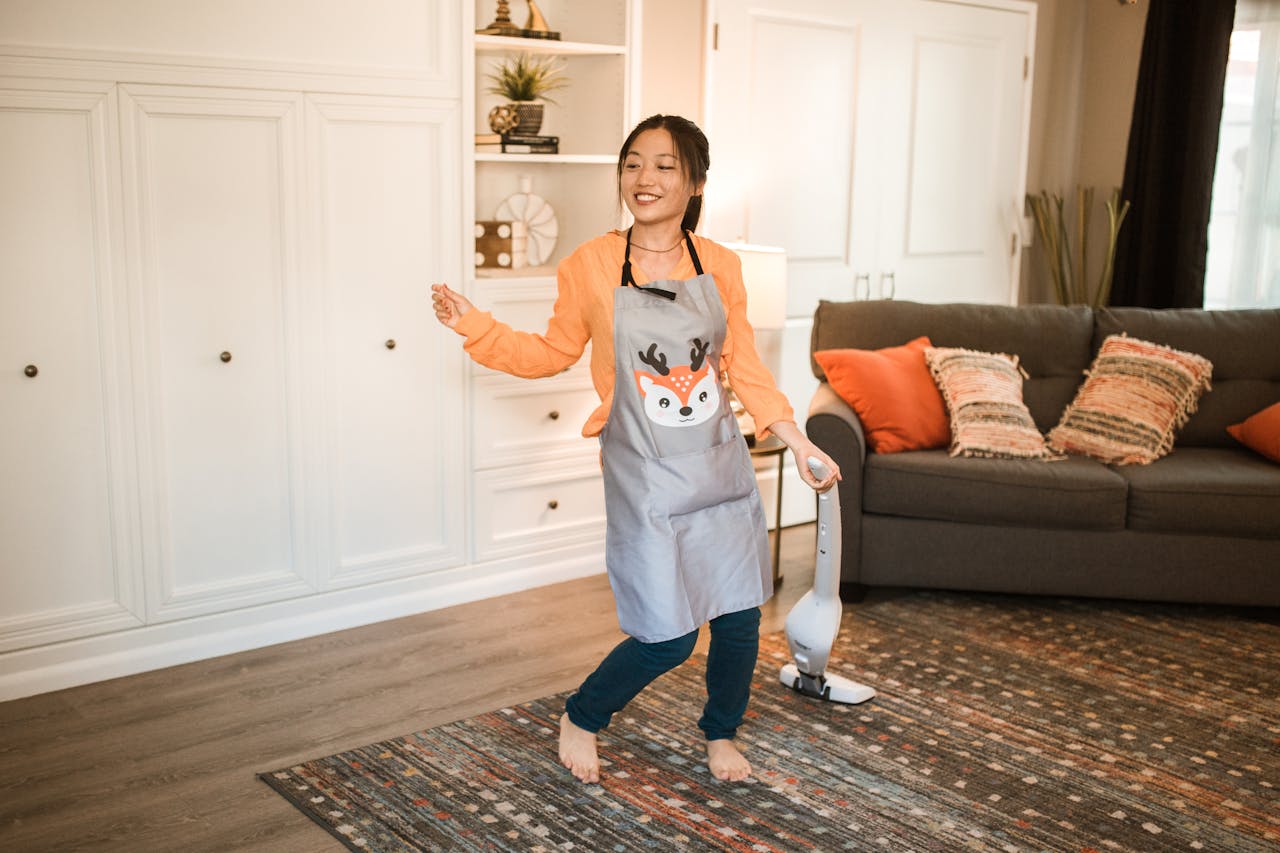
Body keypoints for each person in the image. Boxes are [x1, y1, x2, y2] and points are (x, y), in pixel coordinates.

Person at [432, 114, 839, 785]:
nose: (644, 178)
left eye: (664, 165)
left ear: (695, 182)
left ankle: (721, 731)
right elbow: (551, 352)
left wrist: (795, 440)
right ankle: (583, 714)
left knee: (739, 616)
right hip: (643, 471)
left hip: (717, 460)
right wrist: (474, 326)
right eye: (632, 163)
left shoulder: (721, 265)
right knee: (668, 635)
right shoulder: (589, 264)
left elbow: (744, 366)